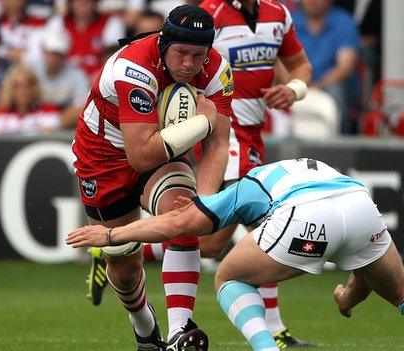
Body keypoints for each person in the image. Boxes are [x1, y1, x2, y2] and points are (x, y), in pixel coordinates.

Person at [67, 158, 404, 351]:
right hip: (360, 203)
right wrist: (346, 301)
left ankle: (267, 348)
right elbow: (366, 272)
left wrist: (111, 234)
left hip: (305, 217)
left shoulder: (245, 186)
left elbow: (177, 224)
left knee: (229, 276)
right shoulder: (307, 169)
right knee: (400, 294)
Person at [139, 0, 314, 347]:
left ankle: (136, 244)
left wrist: (293, 90)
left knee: (211, 241)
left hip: (253, 133)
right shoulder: (209, 14)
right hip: (222, 131)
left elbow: (301, 66)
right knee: (263, 224)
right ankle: (276, 330)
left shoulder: (278, 14)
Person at [72, 5, 233, 350]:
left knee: (184, 210)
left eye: (198, 55)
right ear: (163, 43)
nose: (190, 64)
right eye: (181, 53)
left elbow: (219, 145)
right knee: (126, 268)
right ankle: (144, 325)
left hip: (165, 151)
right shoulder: (134, 67)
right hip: (104, 157)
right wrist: (203, 121)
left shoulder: (218, 69)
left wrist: (202, 206)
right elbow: (140, 154)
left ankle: (179, 330)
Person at [292, 0, 361, 134]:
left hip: (332, 84)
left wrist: (318, 85)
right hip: (297, 82)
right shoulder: (290, 21)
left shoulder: (344, 22)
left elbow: (344, 68)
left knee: (336, 91)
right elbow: (281, 63)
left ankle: (340, 145)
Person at [0, 64, 62, 134]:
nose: (23, 91)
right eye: (17, 86)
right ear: (10, 89)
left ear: (34, 87)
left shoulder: (49, 112)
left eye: (27, 86)